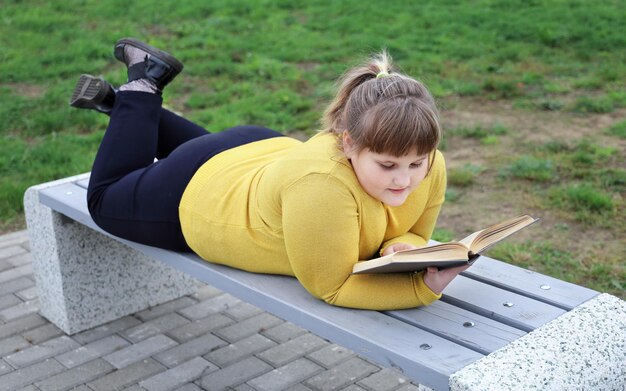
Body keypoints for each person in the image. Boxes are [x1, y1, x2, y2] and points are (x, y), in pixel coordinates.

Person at [70, 38, 469, 311]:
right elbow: (332, 286)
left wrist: (399, 246)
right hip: (196, 194)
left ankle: (126, 111)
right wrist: (422, 288)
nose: (405, 179)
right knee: (104, 201)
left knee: (145, 160)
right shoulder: (322, 188)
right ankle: (142, 83)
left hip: (256, 152)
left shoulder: (431, 165)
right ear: (348, 143)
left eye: (417, 163)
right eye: (387, 165)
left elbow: (416, 230)